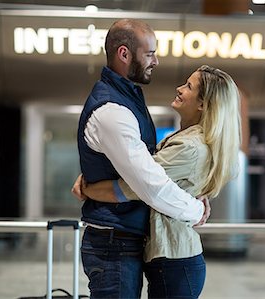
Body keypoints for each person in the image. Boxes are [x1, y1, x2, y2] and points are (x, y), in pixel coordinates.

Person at [73, 65, 242, 298]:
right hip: (173, 258)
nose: (180, 89)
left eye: (189, 86)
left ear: (203, 104)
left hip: (175, 260)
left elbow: (133, 186)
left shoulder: (190, 147)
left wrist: (87, 187)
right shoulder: (189, 139)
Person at [74, 19, 210, 299]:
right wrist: (195, 211)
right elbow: (151, 184)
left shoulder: (128, 98)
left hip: (124, 241)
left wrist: (93, 183)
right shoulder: (112, 109)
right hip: (113, 244)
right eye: (150, 53)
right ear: (124, 54)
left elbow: (141, 169)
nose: (156, 61)